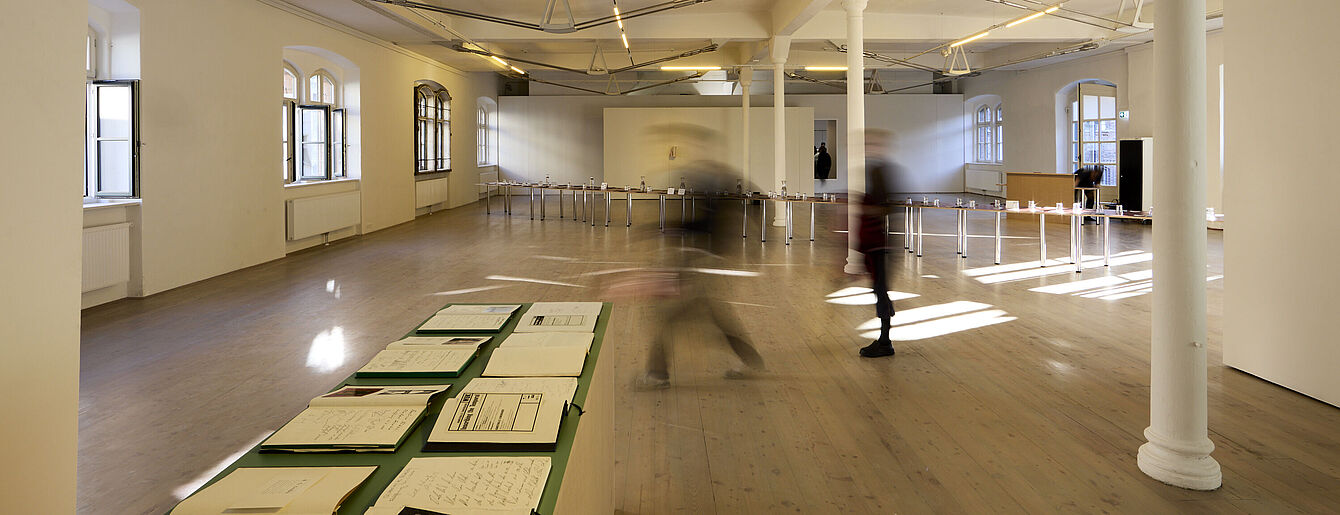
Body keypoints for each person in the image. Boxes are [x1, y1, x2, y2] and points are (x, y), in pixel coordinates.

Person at [635, 125, 766, 389]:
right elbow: (752, 202)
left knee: (669, 315)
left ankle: (657, 373)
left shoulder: (713, 179)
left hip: (705, 261)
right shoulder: (717, 177)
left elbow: (706, 223)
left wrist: (669, 228)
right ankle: (751, 361)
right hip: (702, 260)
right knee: (713, 315)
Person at [856, 130, 906, 358]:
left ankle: (885, 342)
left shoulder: (881, 171)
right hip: (879, 244)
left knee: (881, 291)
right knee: (880, 290)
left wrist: (864, 207)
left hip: (882, 244)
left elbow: (887, 208)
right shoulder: (876, 169)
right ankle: (885, 339)